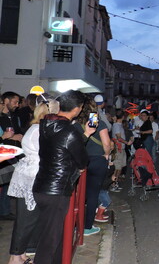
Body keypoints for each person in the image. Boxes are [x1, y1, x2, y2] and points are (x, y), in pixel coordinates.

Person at [32, 90, 93, 264]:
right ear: (77, 109)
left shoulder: (46, 124)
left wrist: (85, 135)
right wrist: (85, 135)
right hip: (56, 191)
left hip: (41, 186)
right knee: (49, 241)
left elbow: (61, 148)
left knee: (55, 235)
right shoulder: (69, 131)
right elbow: (82, 160)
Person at [7, 94, 59, 264]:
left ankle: (20, 254)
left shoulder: (36, 127)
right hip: (32, 176)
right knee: (27, 219)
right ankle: (15, 257)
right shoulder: (40, 130)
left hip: (29, 174)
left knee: (27, 218)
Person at [75, 96, 112, 236]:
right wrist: (106, 154)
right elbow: (106, 144)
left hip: (81, 160)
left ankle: (75, 224)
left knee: (79, 194)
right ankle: (87, 226)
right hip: (97, 160)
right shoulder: (96, 122)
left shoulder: (76, 123)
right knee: (92, 194)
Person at [0, 91, 23, 221]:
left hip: (13, 153)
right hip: (3, 153)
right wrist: (10, 137)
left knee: (8, 182)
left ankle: (5, 210)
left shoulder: (15, 117)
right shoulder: (1, 117)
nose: (17, 105)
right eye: (15, 102)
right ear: (6, 101)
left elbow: (18, 131)